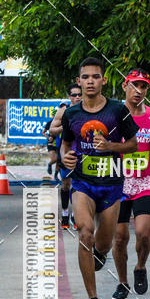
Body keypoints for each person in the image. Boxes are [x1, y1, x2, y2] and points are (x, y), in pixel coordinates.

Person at [60, 57, 138, 299]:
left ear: (104, 80)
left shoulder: (118, 110)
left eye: (95, 76)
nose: (90, 81)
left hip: (112, 183)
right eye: (86, 77)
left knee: (103, 244)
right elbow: (66, 144)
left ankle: (100, 254)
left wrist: (111, 147)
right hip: (83, 182)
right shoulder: (72, 113)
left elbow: (133, 144)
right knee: (84, 233)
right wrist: (65, 157)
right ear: (79, 81)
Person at [112, 69, 150, 299]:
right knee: (120, 237)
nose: (138, 91)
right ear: (125, 86)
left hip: (146, 179)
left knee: (144, 232)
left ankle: (140, 267)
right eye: (134, 85)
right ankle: (123, 282)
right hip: (118, 180)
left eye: (143, 86)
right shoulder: (114, 114)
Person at [50, 86, 82, 228]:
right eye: (74, 95)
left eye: (79, 94)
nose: (77, 97)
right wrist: (66, 127)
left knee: (79, 185)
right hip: (66, 150)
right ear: (69, 96)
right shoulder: (63, 111)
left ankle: (76, 215)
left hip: (83, 151)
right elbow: (52, 130)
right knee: (66, 184)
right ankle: (64, 214)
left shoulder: (88, 109)